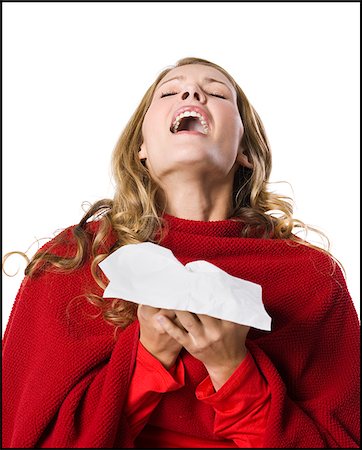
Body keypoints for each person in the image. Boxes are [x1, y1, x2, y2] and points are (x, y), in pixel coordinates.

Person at [2, 57, 360, 449]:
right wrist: (149, 357)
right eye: (170, 91)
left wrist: (231, 367)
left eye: (219, 92)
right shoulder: (76, 257)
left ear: (245, 151)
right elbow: (27, 434)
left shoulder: (309, 276)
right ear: (141, 148)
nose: (192, 93)